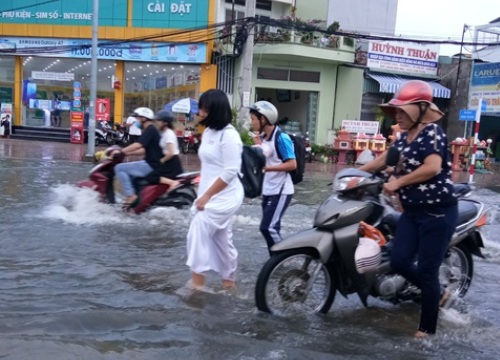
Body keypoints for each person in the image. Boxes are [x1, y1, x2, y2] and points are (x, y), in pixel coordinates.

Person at [359, 80, 458, 338]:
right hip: (412, 213)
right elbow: (383, 160)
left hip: (437, 214)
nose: (397, 116)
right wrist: (352, 177)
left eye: (402, 111)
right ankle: (437, 291)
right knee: (400, 261)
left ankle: (426, 331)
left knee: (426, 271)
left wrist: (398, 182)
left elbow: (432, 167)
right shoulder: (403, 139)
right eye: (396, 111)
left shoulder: (432, 134)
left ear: (418, 111)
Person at [186, 89, 244, 290]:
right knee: (221, 238)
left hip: (226, 196)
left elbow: (230, 171)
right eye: (200, 108)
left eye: (204, 108)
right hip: (208, 193)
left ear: (215, 110)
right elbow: (212, 165)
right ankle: (229, 283)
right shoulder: (209, 132)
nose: (200, 112)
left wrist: (208, 195)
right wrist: (201, 184)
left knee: (198, 229)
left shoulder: (230, 136)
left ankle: (197, 283)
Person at [249, 100, 297, 255]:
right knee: (270, 228)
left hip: (282, 190)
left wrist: (267, 168)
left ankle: (284, 259)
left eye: (253, 119)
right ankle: (275, 262)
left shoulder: (282, 138)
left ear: (264, 119)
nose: (252, 122)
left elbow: (292, 164)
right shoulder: (264, 137)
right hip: (268, 189)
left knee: (268, 227)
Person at [114, 107, 163, 209]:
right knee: (130, 174)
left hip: (151, 165)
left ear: (143, 118)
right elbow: (144, 150)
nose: (136, 121)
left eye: (137, 118)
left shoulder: (150, 130)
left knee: (119, 168)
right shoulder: (150, 130)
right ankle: (137, 200)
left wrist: (121, 151)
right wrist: (127, 154)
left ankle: (130, 196)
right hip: (153, 164)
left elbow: (138, 145)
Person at [144, 110, 183, 192]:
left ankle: (173, 183)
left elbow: (171, 152)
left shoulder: (168, 134)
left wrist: (162, 160)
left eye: (159, 120)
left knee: (152, 177)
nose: (157, 123)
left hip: (171, 163)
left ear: (165, 123)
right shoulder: (165, 133)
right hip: (169, 162)